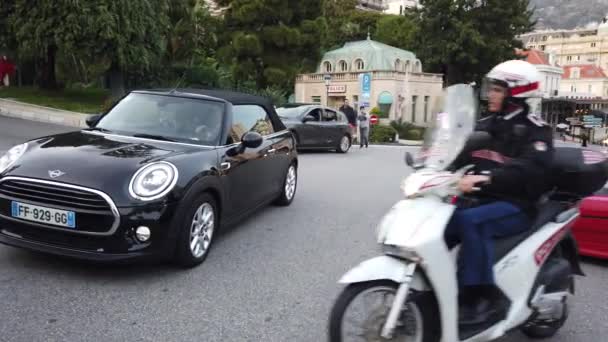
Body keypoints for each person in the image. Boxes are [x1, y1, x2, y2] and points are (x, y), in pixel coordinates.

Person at [444, 60, 554, 326]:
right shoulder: (486, 124)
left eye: (497, 89)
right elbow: (460, 152)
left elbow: (529, 168)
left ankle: (481, 298)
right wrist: (433, 165)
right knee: (441, 220)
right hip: (484, 198)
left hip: (517, 205)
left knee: (471, 221)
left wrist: (487, 177)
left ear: (516, 93)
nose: (490, 94)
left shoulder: (535, 130)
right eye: (491, 88)